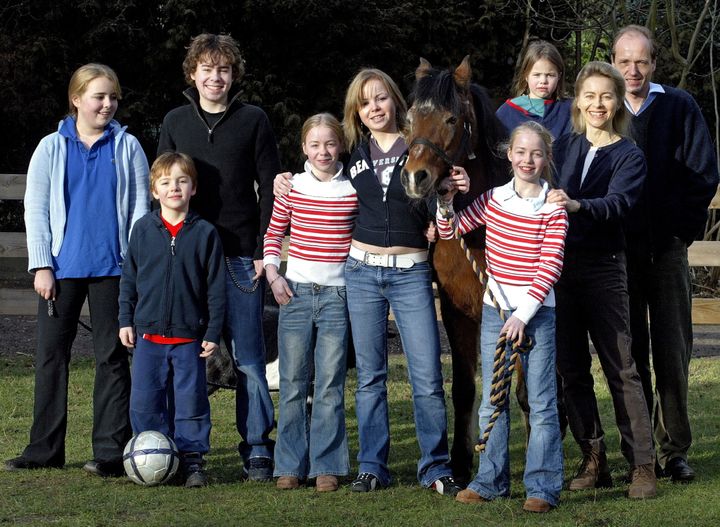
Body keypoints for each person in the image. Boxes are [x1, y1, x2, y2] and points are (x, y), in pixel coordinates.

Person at [274, 69, 462, 496]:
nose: (374, 107)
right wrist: (284, 177)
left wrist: (449, 199)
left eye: (380, 98)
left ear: (395, 100)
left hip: (410, 272)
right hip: (360, 273)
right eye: (364, 102)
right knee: (371, 376)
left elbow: (442, 212)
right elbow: (318, 174)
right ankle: (373, 466)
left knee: (427, 376)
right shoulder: (353, 151)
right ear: (356, 111)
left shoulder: (421, 145)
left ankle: (435, 466)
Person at [5, 64, 149, 476]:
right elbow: (35, 210)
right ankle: (43, 450)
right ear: (76, 99)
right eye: (99, 96)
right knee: (51, 357)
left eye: (113, 97)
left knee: (112, 358)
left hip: (113, 270)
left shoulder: (128, 147)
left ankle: (109, 453)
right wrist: (41, 265)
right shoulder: (50, 147)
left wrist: (134, 268)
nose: (108, 104)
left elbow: (140, 211)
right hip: (60, 271)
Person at [157, 33, 281, 481]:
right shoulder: (174, 121)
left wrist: (266, 250)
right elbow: (162, 188)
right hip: (188, 260)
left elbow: (269, 189)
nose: (216, 77)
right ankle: (187, 451)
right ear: (193, 73)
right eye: (207, 69)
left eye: (224, 69)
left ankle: (256, 446)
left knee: (249, 357)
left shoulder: (254, 120)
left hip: (240, 259)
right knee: (188, 358)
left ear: (234, 75)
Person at [438, 122, 567, 512]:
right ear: (509, 155)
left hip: (536, 314)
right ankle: (490, 480)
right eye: (521, 152)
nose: (528, 160)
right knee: (492, 402)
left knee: (542, 402)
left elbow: (551, 265)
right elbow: (453, 229)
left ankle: (542, 487)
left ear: (546, 160)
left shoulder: (552, 206)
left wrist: (523, 315)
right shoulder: (493, 199)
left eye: (536, 154)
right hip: (497, 312)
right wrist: (446, 201)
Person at [611, 25, 719, 483]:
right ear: (613, 64)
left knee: (673, 351)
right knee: (628, 355)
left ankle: (674, 450)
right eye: (623, 62)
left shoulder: (679, 105)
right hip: (618, 254)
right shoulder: (604, 109)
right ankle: (639, 451)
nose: (632, 71)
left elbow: (703, 171)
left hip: (668, 249)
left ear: (654, 64)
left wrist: (680, 230)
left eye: (641, 62)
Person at [547, 61, 656, 499]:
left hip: (605, 268)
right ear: (578, 100)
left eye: (606, 96)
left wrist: (576, 206)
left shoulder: (629, 154)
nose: (598, 104)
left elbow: (617, 204)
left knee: (621, 369)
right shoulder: (564, 147)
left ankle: (643, 465)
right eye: (589, 95)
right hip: (560, 269)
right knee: (571, 369)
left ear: (617, 102)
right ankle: (593, 459)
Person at [119, 152, 225, 488]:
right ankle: (154, 454)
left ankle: (192, 461)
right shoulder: (143, 229)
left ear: (193, 188)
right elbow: (129, 280)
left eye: (182, 181)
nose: (174, 187)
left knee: (191, 401)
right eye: (166, 182)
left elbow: (216, 288)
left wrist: (212, 330)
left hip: (189, 339)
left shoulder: (205, 233)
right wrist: (126, 319)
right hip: (148, 338)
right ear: (154, 190)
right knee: (145, 401)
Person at [264, 113, 357, 492]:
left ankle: (327, 465)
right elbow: (273, 235)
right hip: (296, 294)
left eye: (330, 144)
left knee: (330, 384)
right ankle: (288, 463)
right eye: (315, 145)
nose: (323, 151)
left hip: (337, 296)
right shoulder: (292, 188)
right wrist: (273, 274)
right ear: (303, 148)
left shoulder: (353, 189)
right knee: (291, 382)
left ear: (341, 146)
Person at [496, 40, 573, 140]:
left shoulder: (569, 109)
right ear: (526, 75)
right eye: (537, 75)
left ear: (559, 76)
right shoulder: (507, 112)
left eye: (550, 75)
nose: (543, 81)